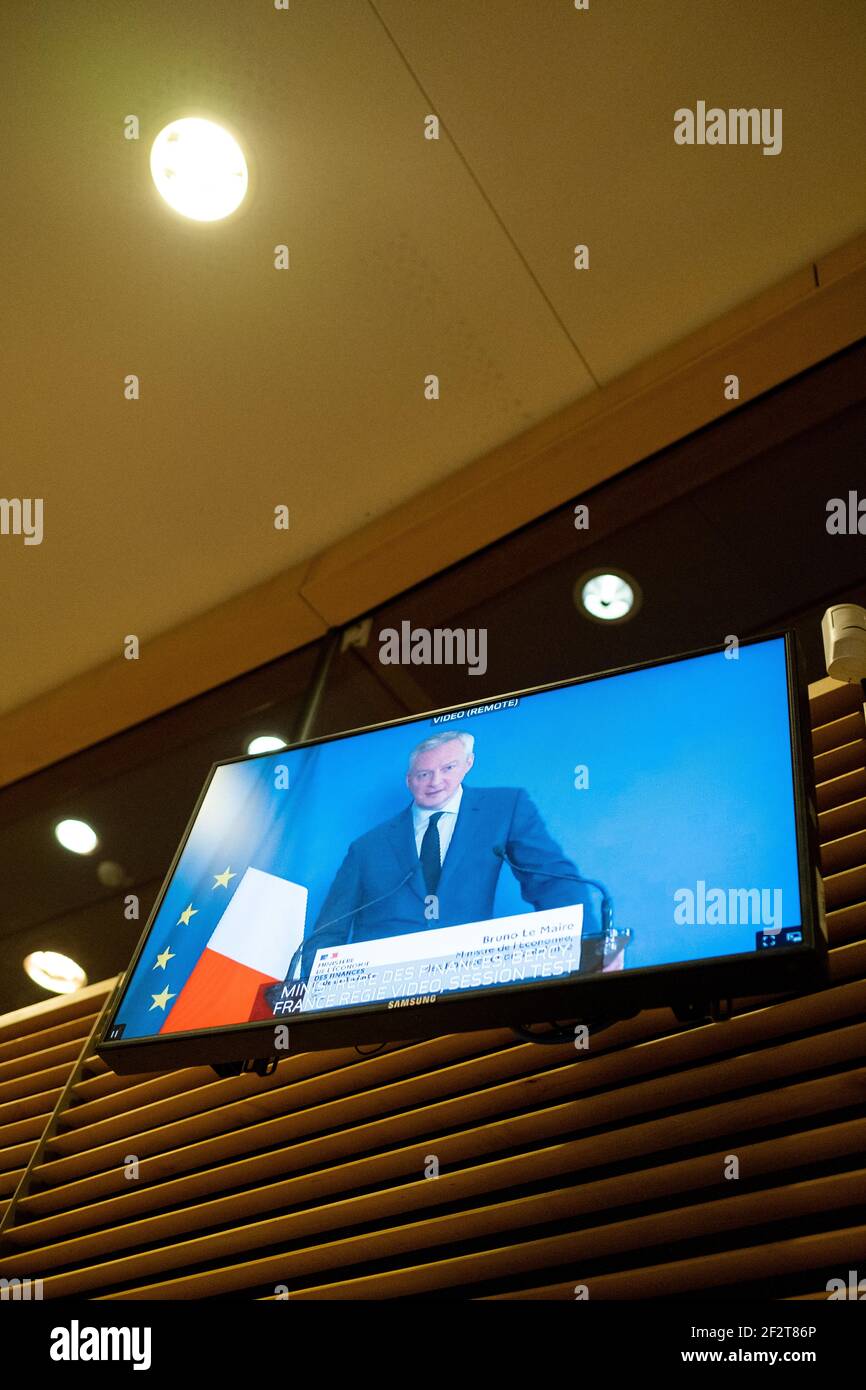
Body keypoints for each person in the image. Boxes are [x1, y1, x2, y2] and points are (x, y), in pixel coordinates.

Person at [299, 730, 600, 976]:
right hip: (382, 995)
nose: (436, 782)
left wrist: (588, 951)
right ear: (409, 780)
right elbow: (327, 933)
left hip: (469, 982)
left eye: (448, 768)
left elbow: (555, 882)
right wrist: (315, 994)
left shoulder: (504, 808)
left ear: (468, 763)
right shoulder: (367, 847)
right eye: (423, 774)